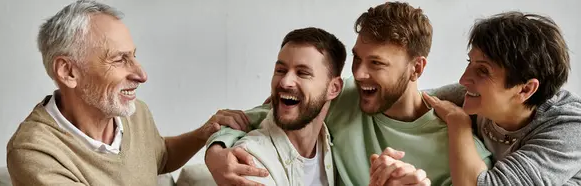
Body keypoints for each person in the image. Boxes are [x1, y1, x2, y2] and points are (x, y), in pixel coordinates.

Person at [203, 2, 492, 186]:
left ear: (416, 69)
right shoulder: (342, 96)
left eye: (376, 63)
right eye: (357, 59)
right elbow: (257, 118)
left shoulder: (459, 146)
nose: (359, 73)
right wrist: (215, 153)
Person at [6, 1, 228, 185]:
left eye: (133, 56)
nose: (141, 74)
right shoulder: (34, 152)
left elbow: (158, 156)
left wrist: (204, 134)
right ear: (68, 71)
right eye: (120, 59)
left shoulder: (135, 112)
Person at [422, 11, 581, 185]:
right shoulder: (478, 97)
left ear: (525, 90)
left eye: (483, 70)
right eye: (470, 63)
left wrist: (459, 124)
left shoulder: (570, 128)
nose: (463, 79)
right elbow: (410, 101)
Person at [232, 27, 344, 186]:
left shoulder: (330, 143)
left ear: (333, 88)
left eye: (302, 73)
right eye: (280, 70)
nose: (285, 82)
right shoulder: (250, 158)